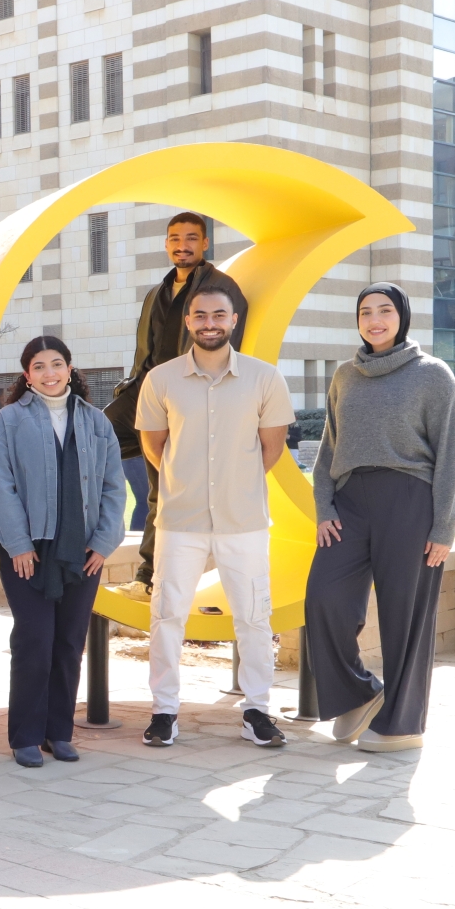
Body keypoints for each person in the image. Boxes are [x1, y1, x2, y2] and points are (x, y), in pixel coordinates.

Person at [136, 275, 295, 749]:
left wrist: (233, 484)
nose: (209, 323)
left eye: (218, 314)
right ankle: (164, 710)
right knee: (167, 616)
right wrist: (189, 484)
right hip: (180, 520)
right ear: (188, 321)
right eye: (200, 315)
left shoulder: (265, 378)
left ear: (234, 320)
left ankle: (257, 710)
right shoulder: (160, 379)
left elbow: (272, 448)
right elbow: (154, 447)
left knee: (253, 618)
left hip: (242, 520)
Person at [306, 284, 455, 753]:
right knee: (323, 597)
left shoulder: (433, 375)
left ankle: (404, 724)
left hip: (410, 501)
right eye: (365, 312)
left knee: (406, 615)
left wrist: (444, 527)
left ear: (402, 317)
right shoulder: (344, 376)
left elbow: (451, 456)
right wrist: (324, 506)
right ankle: (359, 694)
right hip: (350, 501)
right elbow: (329, 448)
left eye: (385, 311)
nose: (375, 319)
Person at [0, 337, 127, 767]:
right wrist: (18, 545)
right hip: (27, 549)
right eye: (39, 366)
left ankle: (58, 732)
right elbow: (1, 487)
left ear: (70, 369)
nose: (50, 373)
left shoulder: (96, 422)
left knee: (69, 642)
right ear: (26, 375)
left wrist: (104, 543)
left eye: (57, 364)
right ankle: (26, 736)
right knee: (35, 638)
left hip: (82, 550)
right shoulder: (9, 421)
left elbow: (113, 486)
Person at [104, 212, 249, 595]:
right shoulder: (158, 291)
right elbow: (145, 353)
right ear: (166, 244)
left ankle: (150, 577)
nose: (181, 245)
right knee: (94, 439)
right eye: (174, 238)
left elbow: (227, 343)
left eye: (190, 238)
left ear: (205, 244)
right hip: (147, 389)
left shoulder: (222, 287)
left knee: (161, 488)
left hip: (188, 394)